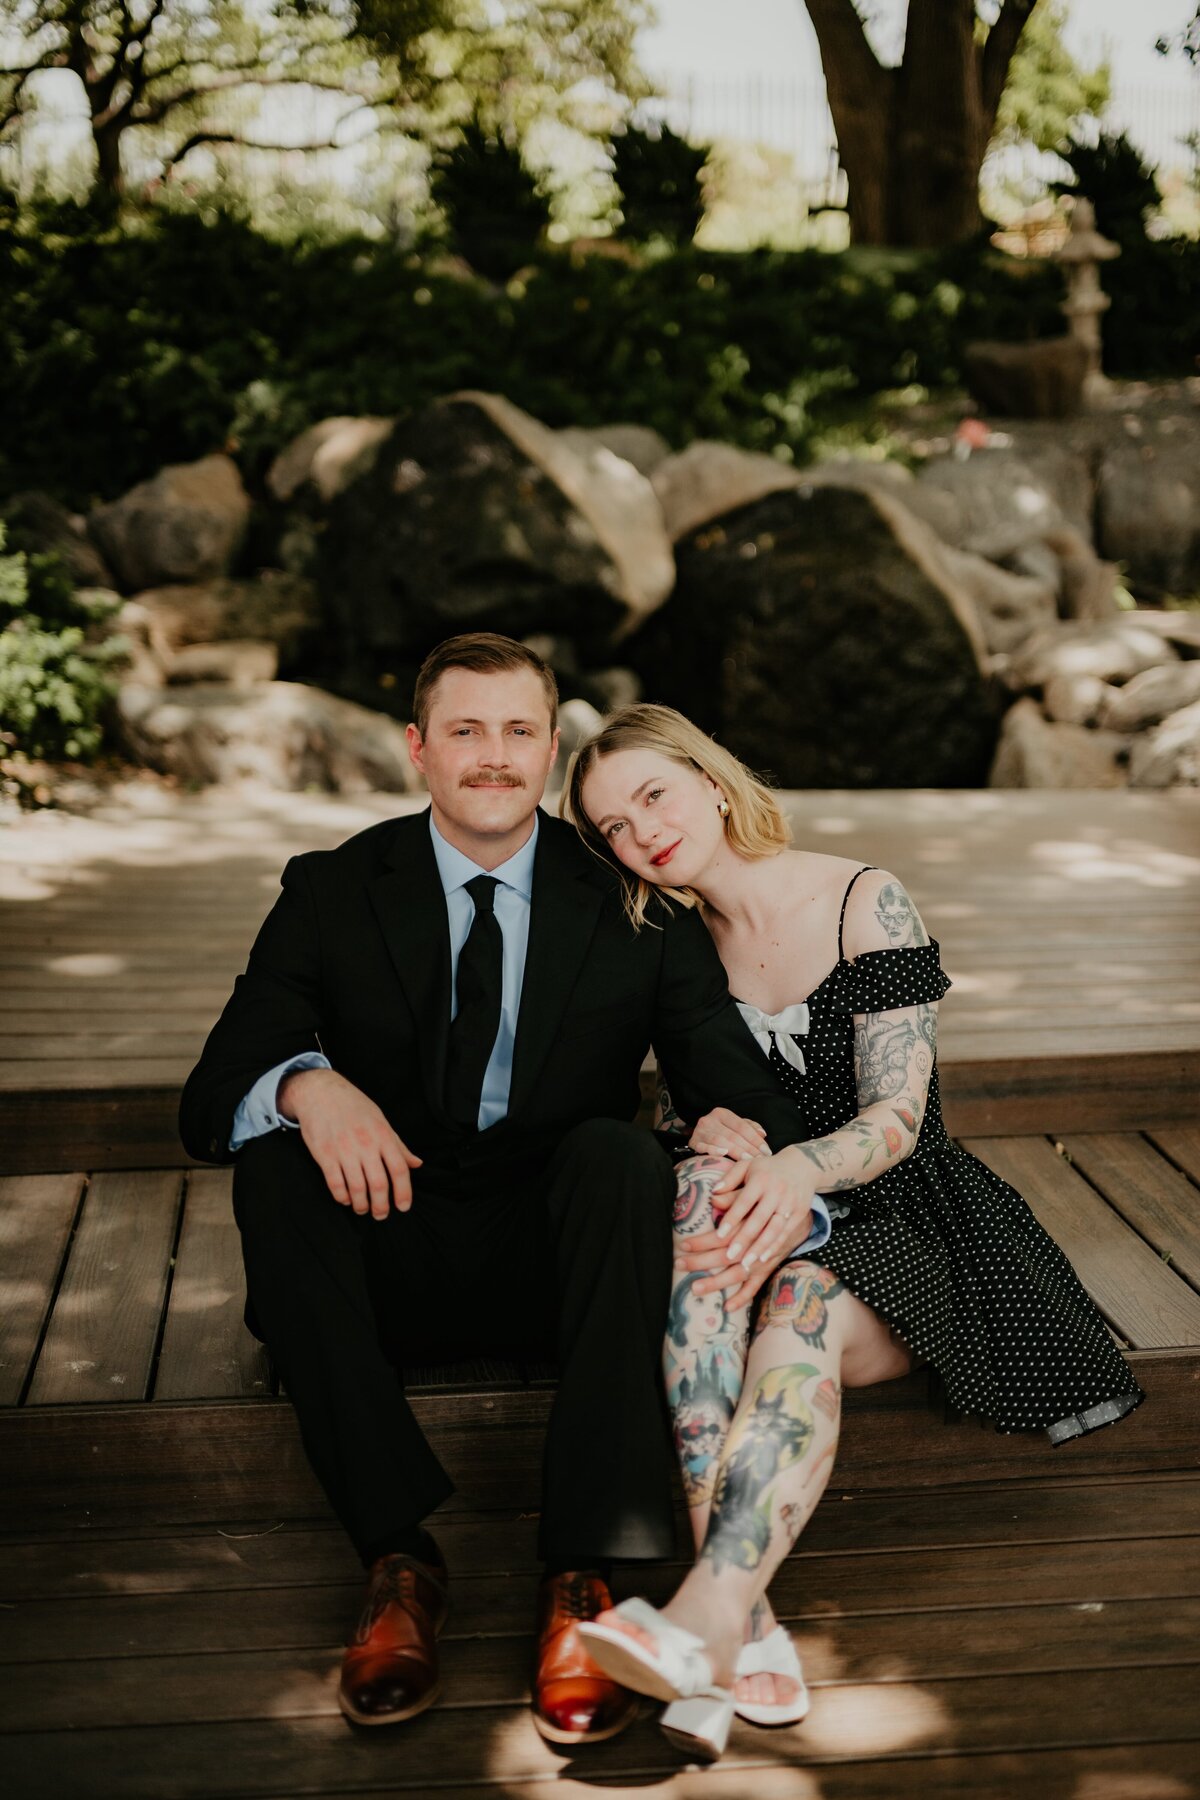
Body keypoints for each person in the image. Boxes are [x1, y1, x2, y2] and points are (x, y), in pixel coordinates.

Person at [178, 635, 828, 1744]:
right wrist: (306, 1087)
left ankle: (582, 1578)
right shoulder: (334, 889)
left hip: (558, 1270)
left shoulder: (632, 903)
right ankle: (398, 1564)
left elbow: (740, 1088)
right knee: (277, 1167)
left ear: (551, 747)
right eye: (467, 731)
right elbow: (207, 1104)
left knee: (620, 1156)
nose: (494, 756)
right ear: (418, 751)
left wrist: (737, 1127)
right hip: (390, 1249)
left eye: (519, 730)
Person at [564, 703, 1144, 1761]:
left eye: (653, 794)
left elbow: (897, 1116)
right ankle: (738, 1623)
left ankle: (698, 1622)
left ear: (707, 776)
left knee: (801, 1294)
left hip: (912, 1225)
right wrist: (716, 1132)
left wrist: (792, 1171)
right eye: (611, 826)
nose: (640, 832)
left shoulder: (859, 899)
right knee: (695, 1218)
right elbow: (682, 1109)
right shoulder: (669, 946)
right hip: (765, 1221)